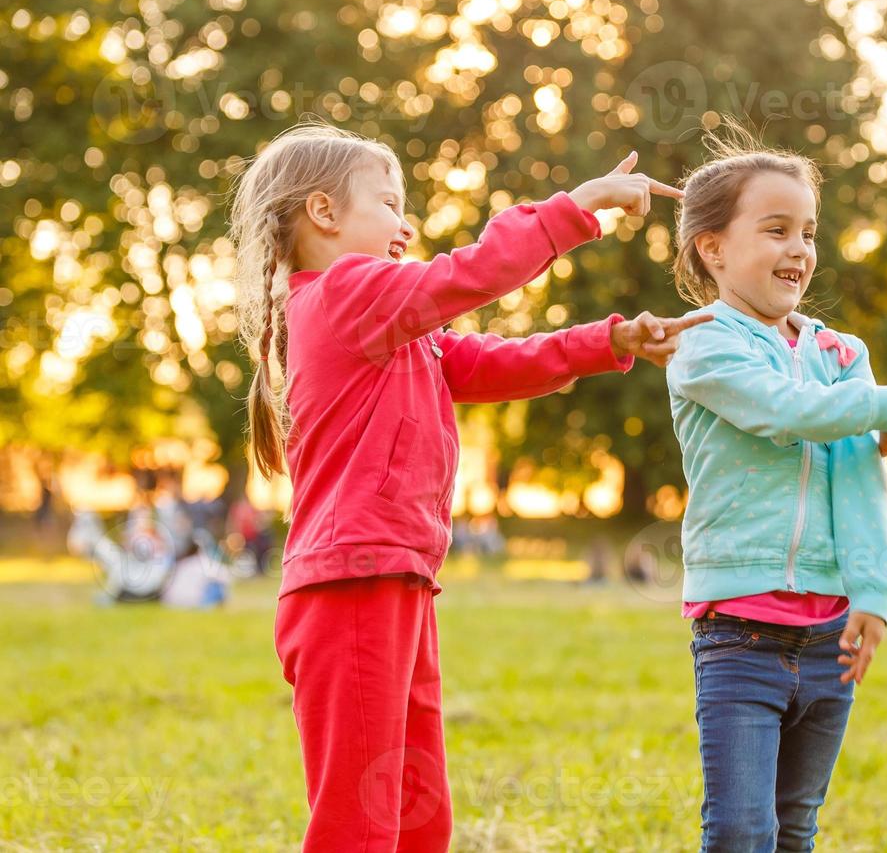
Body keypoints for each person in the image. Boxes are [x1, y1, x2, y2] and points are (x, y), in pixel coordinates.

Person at [231, 118, 708, 851]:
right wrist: (577, 206)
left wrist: (607, 341)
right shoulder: (345, 294)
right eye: (388, 202)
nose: (406, 221)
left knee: (419, 818)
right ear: (323, 212)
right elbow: (469, 274)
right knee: (359, 827)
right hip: (352, 585)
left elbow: (487, 362)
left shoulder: (390, 327)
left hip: (394, 581)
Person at [665, 127, 887, 850]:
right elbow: (785, 410)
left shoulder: (840, 352)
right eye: (775, 230)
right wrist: (886, 403)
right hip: (740, 634)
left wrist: (874, 592)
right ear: (712, 248)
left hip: (828, 634)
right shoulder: (701, 342)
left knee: (796, 827)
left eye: (807, 231)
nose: (799, 250)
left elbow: (859, 476)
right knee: (743, 827)